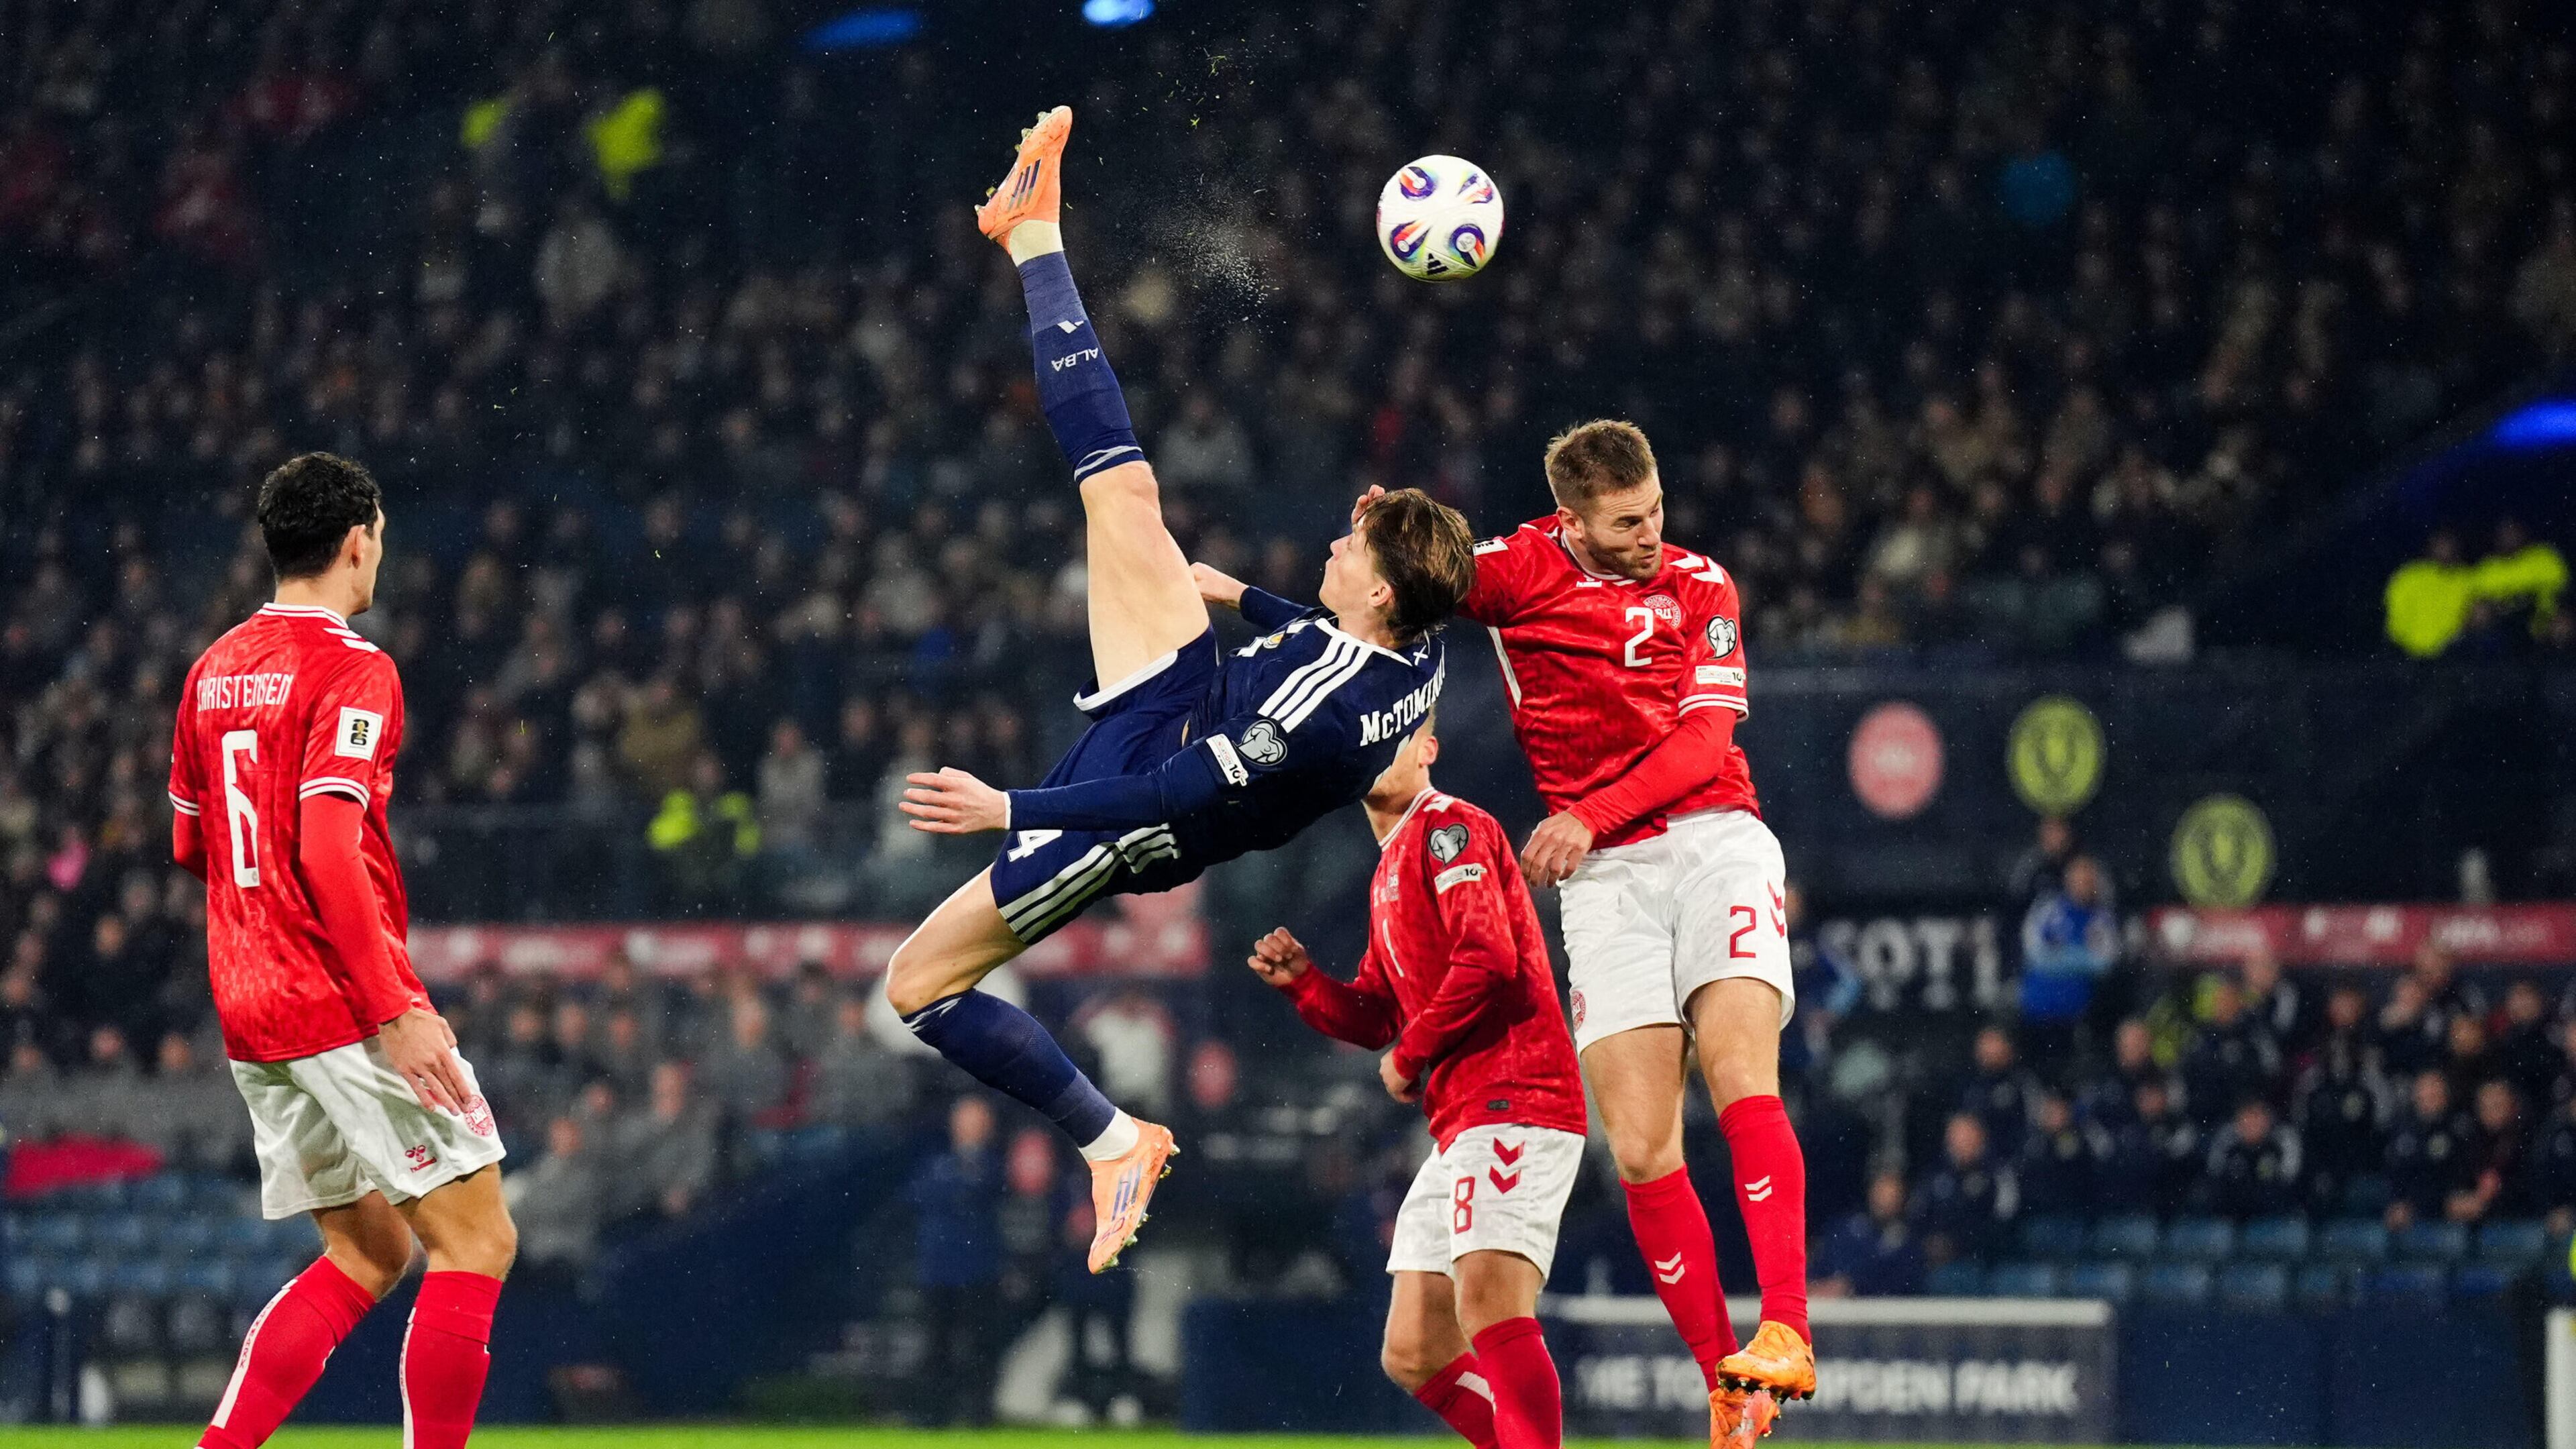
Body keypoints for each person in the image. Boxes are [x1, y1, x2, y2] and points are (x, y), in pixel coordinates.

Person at [887, 107, 1477, 1273]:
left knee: (918, 986)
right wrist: (1244, 595)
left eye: (1354, 552)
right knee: (1121, 494)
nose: (1336, 547)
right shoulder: (1415, 645)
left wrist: (1010, 810)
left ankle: (1115, 1140)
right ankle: (1033, 237)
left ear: (1379, 597)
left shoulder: (1320, 714)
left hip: (1146, 812)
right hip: (1191, 691)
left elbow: (1162, 795)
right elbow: (1336, 637)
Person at [1441, 417, 1814, 1435]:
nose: (1649, 534)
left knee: (1742, 1076)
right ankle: (1727, 1382)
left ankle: (1786, 1326)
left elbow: (1705, 742)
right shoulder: (1520, 570)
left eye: (1654, 511)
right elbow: (1420, 571)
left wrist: (1587, 815)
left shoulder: (1702, 585)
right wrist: (1388, 535)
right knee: (1645, 1149)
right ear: (1571, 521)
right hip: (1604, 882)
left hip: (1713, 839)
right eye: (1624, 523)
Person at [168, 453, 515, 1449]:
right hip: (337, 996)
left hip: (249, 1003)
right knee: (478, 1239)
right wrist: (396, 1011)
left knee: (368, 1251)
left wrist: (262, 931)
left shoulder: (212, 670)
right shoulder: (356, 666)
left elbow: (195, 844)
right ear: (359, 539)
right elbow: (326, 844)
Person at [1249, 716, 1588, 1449]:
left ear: (1429, 748)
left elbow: (1488, 956)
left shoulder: (1448, 827)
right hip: (1463, 1117)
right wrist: (1306, 986)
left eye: (1397, 735)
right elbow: (1376, 1017)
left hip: (1516, 1095)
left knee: (1493, 1308)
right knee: (1413, 1349)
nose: (1377, 751)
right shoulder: (1388, 868)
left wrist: (1413, 1055)